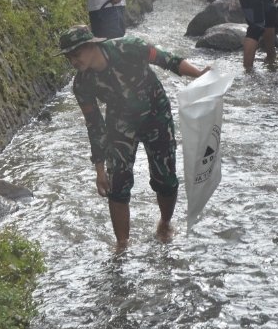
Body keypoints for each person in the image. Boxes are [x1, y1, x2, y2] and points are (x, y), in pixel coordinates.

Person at [59, 24, 209, 250]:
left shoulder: (129, 47)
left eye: (76, 54)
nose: (73, 61)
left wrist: (198, 74)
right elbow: (94, 125)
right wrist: (99, 168)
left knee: (165, 178)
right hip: (120, 123)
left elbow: (169, 60)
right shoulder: (82, 84)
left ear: (91, 46)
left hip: (155, 114)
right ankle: (122, 245)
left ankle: (165, 224)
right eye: (68, 57)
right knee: (117, 184)